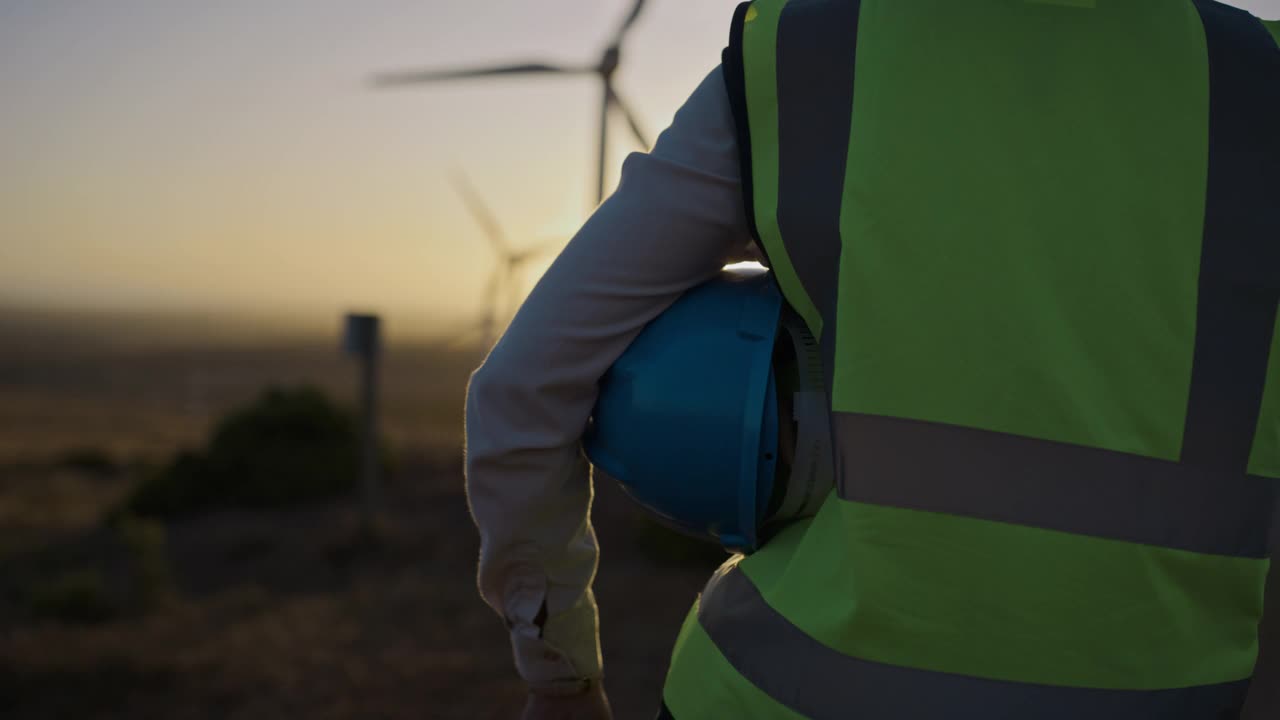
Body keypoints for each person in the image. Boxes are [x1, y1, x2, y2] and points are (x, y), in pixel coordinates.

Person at [464, 2, 1280, 718]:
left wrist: (561, 677)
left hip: (782, 696)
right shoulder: (1259, 77)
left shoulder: (811, 56)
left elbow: (521, 391)